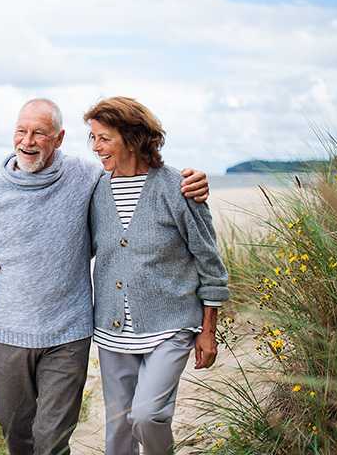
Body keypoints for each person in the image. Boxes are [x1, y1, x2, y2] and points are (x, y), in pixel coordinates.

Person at [0, 98, 210, 455]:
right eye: (21, 131)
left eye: (39, 133)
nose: (27, 141)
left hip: (70, 332)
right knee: (14, 430)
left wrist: (193, 180)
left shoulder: (87, 177)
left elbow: (139, 177)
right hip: (11, 330)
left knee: (52, 439)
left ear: (58, 138)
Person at [86, 96, 229, 455]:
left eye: (103, 138)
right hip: (112, 329)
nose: (95, 147)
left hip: (172, 325)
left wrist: (209, 331)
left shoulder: (178, 188)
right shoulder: (95, 190)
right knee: (118, 430)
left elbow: (210, 263)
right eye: (92, 139)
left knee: (148, 416)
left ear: (132, 136)